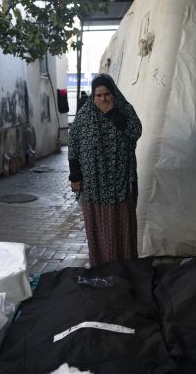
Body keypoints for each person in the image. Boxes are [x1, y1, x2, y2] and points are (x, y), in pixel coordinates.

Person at [68, 74, 142, 266]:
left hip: (120, 183)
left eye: (107, 94)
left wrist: (113, 114)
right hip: (94, 185)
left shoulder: (125, 110)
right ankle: (100, 268)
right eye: (98, 95)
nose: (103, 99)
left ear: (114, 93)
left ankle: (125, 268)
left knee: (122, 227)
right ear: (93, 96)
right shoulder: (84, 115)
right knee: (98, 229)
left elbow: (135, 131)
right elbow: (73, 144)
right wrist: (75, 176)